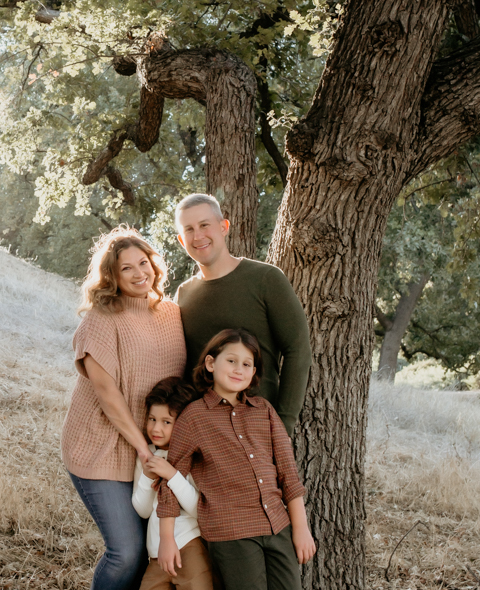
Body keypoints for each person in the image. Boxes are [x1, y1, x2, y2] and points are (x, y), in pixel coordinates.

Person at [62, 226, 187, 590]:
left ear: (154, 264)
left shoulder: (172, 314)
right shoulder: (100, 318)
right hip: (100, 447)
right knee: (126, 553)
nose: (138, 273)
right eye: (126, 268)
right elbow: (108, 396)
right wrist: (143, 449)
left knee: (151, 554)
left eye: (143, 263)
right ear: (112, 277)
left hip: (152, 450)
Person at [156, 329, 316, 590]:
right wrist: (166, 539)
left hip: (277, 526)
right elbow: (169, 480)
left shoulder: (264, 410)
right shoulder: (194, 417)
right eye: (231, 360)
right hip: (231, 533)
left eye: (247, 364)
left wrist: (301, 528)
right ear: (210, 363)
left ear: (254, 372)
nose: (238, 369)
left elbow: (288, 472)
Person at [173, 193, 311, 435]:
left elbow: (297, 350)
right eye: (189, 230)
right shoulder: (184, 295)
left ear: (223, 227)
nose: (198, 236)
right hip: (203, 434)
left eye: (204, 225)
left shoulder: (266, 279)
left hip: (258, 431)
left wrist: (282, 426)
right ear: (181, 240)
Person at [132, 377, 212, 590]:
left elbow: (199, 509)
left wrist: (173, 476)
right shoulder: (147, 455)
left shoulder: (195, 458)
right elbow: (143, 511)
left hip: (189, 546)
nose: (156, 428)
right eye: (152, 419)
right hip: (156, 555)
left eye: (166, 422)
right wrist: (147, 476)